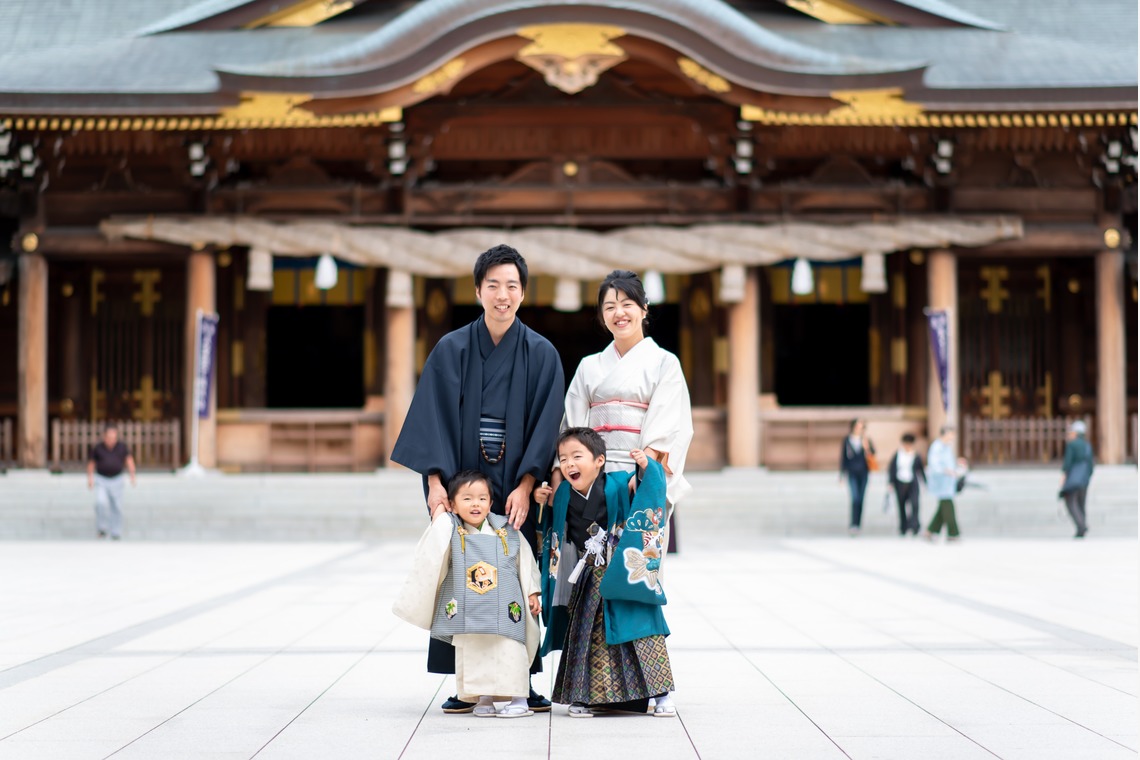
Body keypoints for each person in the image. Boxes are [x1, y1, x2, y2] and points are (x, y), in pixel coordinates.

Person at [390, 244, 564, 714]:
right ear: (477, 291)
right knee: (460, 580)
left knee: (515, 581)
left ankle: (523, 680)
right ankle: (465, 682)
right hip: (465, 486)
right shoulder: (452, 349)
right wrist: (433, 483)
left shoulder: (542, 355)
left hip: (514, 487)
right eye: (493, 286)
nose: (502, 295)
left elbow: (547, 423)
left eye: (511, 286)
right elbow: (433, 419)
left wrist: (528, 485)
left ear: (523, 294)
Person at [534, 428, 675, 718]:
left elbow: (646, 492)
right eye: (563, 459)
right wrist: (541, 502)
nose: (569, 464)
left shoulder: (620, 484)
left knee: (642, 632)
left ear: (600, 461)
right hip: (589, 575)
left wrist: (648, 468)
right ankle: (584, 697)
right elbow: (553, 531)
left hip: (624, 570)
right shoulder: (563, 494)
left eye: (577, 456)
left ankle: (661, 696)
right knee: (588, 638)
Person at [559, 270, 693, 552]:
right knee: (590, 567)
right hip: (592, 476)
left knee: (635, 567)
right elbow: (572, 427)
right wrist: (576, 473)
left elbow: (667, 425)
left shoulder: (664, 363)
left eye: (627, 304)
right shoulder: (588, 366)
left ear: (644, 309)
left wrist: (643, 474)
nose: (619, 313)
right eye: (609, 307)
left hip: (637, 475)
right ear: (602, 315)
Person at [392, 470, 542, 718]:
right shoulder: (450, 530)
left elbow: (525, 563)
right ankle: (483, 697)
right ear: (452, 504)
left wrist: (532, 592)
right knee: (475, 651)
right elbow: (432, 549)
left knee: (510, 649)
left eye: (482, 498)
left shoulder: (508, 530)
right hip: (469, 607)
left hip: (505, 605)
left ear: (491, 503)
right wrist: (440, 513)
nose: (476, 504)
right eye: (467, 498)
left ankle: (519, 699)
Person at [86, 424, 136, 540]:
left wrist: (132, 475)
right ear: (104, 437)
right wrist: (90, 478)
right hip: (101, 479)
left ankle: (116, 531)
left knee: (117, 506)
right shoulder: (98, 448)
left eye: (113, 438)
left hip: (117, 479)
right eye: (109, 437)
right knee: (100, 503)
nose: (111, 440)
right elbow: (91, 463)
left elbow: (129, 460)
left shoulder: (122, 447)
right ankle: (102, 528)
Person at [922, 425, 968, 542]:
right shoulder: (937, 447)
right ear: (945, 434)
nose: (952, 436)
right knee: (948, 506)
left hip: (948, 481)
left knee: (943, 508)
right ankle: (953, 532)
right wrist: (947, 471)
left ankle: (930, 531)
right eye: (951, 434)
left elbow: (948, 462)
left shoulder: (946, 447)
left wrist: (957, 464)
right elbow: (935, 465)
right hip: (940, 481)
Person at [839, 418, 875, 535]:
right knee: (855, 498)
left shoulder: (865, 440)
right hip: (852, 472)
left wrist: (867, 447)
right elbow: (843, 458)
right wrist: (842, 474)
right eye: (857, 426)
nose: (859, 429)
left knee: (861, 498)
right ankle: (853, 524)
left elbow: (873, 454)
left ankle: (858, 524)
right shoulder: (847, 440)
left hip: (864, 472)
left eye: (861, 427)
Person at [1059, 420, 1095, 539]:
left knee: (1070, 502)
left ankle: (1081, 525)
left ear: (1075, 432)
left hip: (1074, 478)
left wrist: (1064, 477)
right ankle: (1082, 527)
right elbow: (1091, 465)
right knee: (1081, 503)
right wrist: (1087, 477)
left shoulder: (1072, 444)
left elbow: (1068, 463)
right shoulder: (1087, 445)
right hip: (1084, 479)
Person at [887, 433, 926, 535]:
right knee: (901, 505)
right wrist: (890, 482)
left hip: (912, 482)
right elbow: (892, 469)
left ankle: (914, 526)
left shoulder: (916, 455)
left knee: (915, 504)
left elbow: (920, 470)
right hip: (900, 482)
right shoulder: (898, 454)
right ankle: (903, 527)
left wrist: (925, 482)